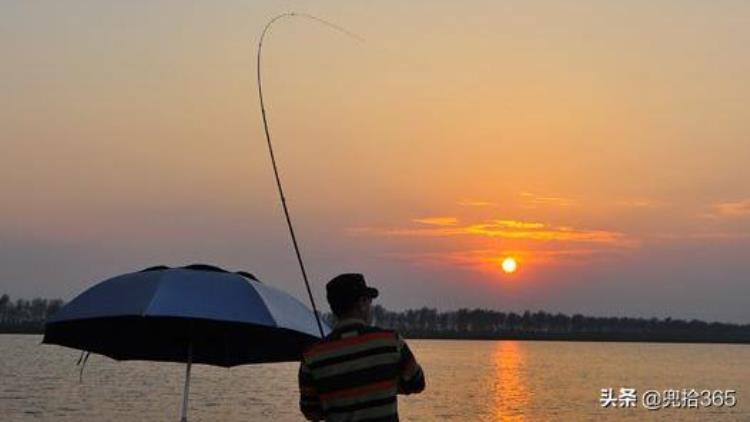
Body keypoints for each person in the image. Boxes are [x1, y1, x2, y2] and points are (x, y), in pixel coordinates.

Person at [298, 273, 426, 421]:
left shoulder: (311, 356)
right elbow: (417, 383)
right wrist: (383, 384)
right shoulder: (391, 341)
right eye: (369, 300)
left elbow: (310, 412)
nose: (371, 306)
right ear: (362, 303)